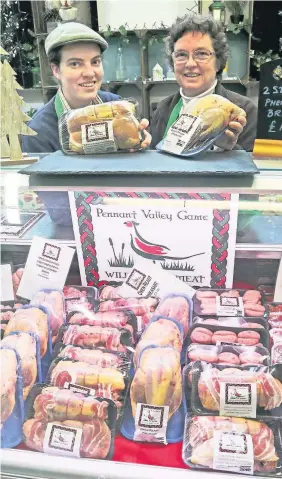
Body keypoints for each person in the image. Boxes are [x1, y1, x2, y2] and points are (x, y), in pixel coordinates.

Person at [22, 22, 151, 153]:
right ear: (56, 70)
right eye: (75, 64)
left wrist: (138, 146)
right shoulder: (39, 133)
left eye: (95, 62)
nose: (89, 73)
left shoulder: (116, 105)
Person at [151, 14, 257, 152]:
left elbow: (255, 168)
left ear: (218, 62)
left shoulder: (245, 111)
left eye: (201, 54)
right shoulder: (162, 110)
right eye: (181, 55)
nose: (190, 63)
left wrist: (227, 149)